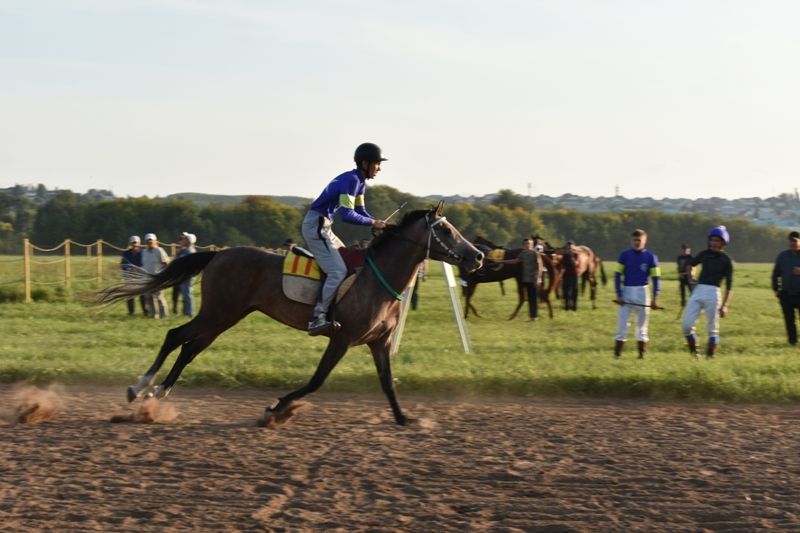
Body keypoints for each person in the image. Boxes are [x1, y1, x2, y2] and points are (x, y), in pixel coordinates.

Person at [301, 142, 388, 335]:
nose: (379, 168)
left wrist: (377, 221)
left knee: (347, 262)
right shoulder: (351, 181)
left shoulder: (359, 181)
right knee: (338, 271)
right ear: (365, 163)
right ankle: (317, 317)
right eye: (377, 164)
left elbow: (360, 211)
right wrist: (373, 223)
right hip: (316, 225)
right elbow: (347, 215)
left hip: (324, 225)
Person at [681, 226, 734, 358]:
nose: (714, 243)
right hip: (699, 290)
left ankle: (710, 358)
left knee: (712, 330)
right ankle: (695, 354)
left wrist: (725, 305)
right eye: (712, 240)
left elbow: (729, 285)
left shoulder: (726, 260)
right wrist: (691, 273)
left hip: (714, 293)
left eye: (717, 240)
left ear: (723, 243)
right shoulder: (704, 254)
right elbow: (691, 264)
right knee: (687, 326)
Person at [613, 229, 661, 358]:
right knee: (622, 325)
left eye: (639, 240)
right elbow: (617, 275)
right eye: (634, 240)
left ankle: (641, 355)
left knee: (642, 327)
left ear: (645, 240)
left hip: (642, 292)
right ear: (631, 240)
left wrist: (655, 298)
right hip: (627, 291)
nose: (636, 242)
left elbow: (656, 279)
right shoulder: (624, 255)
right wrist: (619, 294)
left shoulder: (651, 257)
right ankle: (617, 355)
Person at [771, 231, 800, 345]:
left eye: (795, 241)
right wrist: (776, 289)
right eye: (791, 241)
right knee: (789, 320)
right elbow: (775, 274)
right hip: (786, 294)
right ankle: (792, 342)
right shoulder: (782, 256)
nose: (793, 243)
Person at [141, 232, 170, 319]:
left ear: (155, 241)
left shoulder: (159, 251)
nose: (149, 242)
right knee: (149, 297)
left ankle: (164, 315)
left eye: (151, 241)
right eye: (148, 241)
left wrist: (164, 275)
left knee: (159, 297)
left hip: (158, 277)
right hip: (147, 278)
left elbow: (166, 263)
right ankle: (153, 314)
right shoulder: (144, 252)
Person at [172, 232, 197, 316]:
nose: (183, 240)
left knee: (187, 294)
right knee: (185, 294)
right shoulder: (184, 250)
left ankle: (189, 312)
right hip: (183, 275)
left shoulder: (189, 251)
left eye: (185, 239)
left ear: (189, 241)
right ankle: (186, 311)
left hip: (186, 276)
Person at [519, 237, 544, 320]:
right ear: (523, 245)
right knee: (529, 299)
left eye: (528, 244)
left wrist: (538, 278)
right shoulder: (523, 253)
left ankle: (535, 316)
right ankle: (531, 316)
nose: (527, 245)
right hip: (525, 279)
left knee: (533, 298)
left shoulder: (535, 253)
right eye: (525, 244)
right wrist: (501, 262)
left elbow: (539, 266)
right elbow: (516, 260)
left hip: (533, 279)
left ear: (532, 245)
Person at [120, 235, 145, 316]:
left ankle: (145, 311)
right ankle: (131, 312)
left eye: (136, 243)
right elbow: (123, 265)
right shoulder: (126, 254)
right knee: (130, 296)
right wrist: (127, 271)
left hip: (141, 277)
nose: (135, 245)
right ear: (130, 244)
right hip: (129, 277)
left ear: (139, 243)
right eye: (133, 243)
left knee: (143, 296)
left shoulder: (143, 253)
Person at [560, 241, 579, 311]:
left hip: (574, 275)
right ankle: (567, 306)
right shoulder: (564, 256)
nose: (568, 249)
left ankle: (574, 306)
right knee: (565, 291)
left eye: (570, 247)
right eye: (567, 247)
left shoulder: (576, 255)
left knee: (574, 291)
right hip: (566, 275)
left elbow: (576, 263)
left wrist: (571, 256)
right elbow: (562, 264)